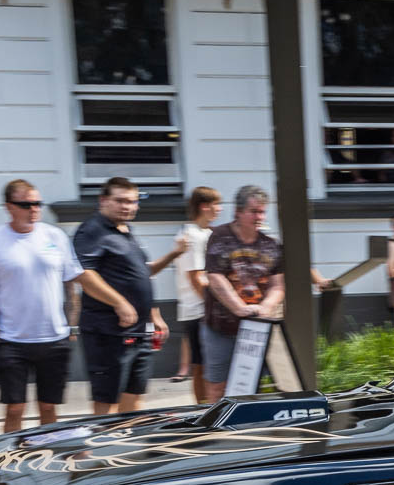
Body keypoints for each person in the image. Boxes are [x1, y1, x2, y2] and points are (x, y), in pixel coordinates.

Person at [0, 179, 124, 432]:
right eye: (26, 204)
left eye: (37, 203)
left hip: (54, 338)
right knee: (15, 408)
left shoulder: (54, 236)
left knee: (48, 406)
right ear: (9, 207)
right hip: (14, 340)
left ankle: (47, 455)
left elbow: (70, 283)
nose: (33, 209)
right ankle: (10, 458)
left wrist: (72, 326)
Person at [72, 177, 170, 416]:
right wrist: (119, 302)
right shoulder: (92, 230)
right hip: (110, 332)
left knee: (135, 395)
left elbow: (141, 276)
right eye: (120, 201)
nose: (127, 207)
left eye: (132, 201)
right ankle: (101, 448)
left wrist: (154, 314)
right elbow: (83, 273)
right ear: (103, 201)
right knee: (108, 401)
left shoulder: (127, 232)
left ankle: (128, 446)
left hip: (142, 331)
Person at [201, 185, 284, 403]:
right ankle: (214, 432)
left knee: (252, 387)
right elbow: (215, 278)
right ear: (238, 211)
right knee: (217, 387)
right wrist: (240, 309)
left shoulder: (270, 244)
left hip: (256, 331)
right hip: (221, 327)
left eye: (263, 211)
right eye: (254, 211)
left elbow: (278, 285)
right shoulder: (220, 236)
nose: (260, 216)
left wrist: (264, 309)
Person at [164, 186, 220, 393]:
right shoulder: (192, 235)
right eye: (217, 204)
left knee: (210, 364)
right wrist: (214, 307)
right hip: (199, 310)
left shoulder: (206, 233)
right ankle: (202, 409)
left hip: (204, 310)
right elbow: (196, 277)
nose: (220, 209)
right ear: (204, 207)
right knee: (201, 366)